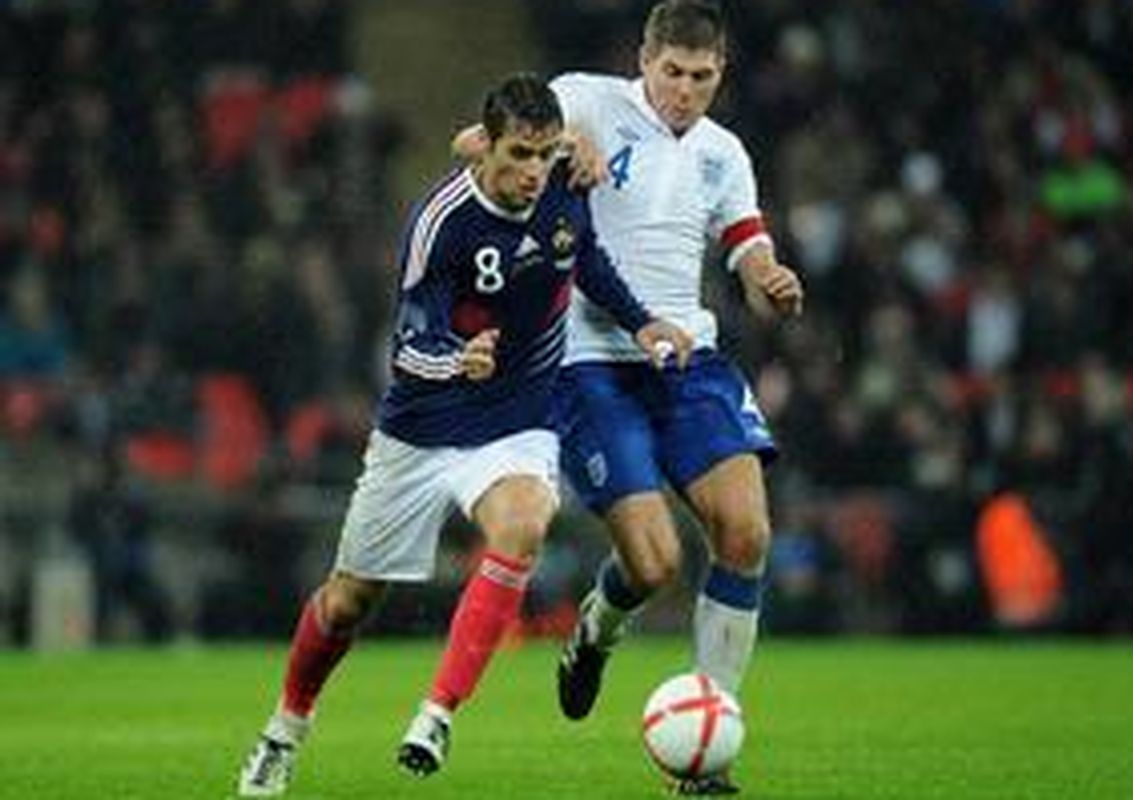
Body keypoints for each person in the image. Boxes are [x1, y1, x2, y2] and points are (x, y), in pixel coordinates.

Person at [235, 73, 693, 797]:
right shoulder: (441, 219)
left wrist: (643, 321)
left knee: (523, 524)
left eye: (545, 154)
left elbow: (587, 261)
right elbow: (409, 338)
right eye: (518, 154)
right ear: (484, 147)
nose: (532, 172)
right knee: (350, 601)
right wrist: (456, 355)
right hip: (421, 428)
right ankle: (285, 729)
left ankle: (437, 713)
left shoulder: (563, 184)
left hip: (517, 422)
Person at [456, 2, 802, 795]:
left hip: (687, 356)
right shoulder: (581, 98)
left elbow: (748, 245)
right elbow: (472, 143)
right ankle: (594, 633)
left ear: (722, 72)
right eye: (672, 73)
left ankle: (708, 753)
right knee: (653, 564)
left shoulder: (724, 152)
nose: (684, 91)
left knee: (746, 532)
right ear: (643, 60)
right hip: (586, 361)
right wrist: (553, 148)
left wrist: (767, 282)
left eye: (702, 77)